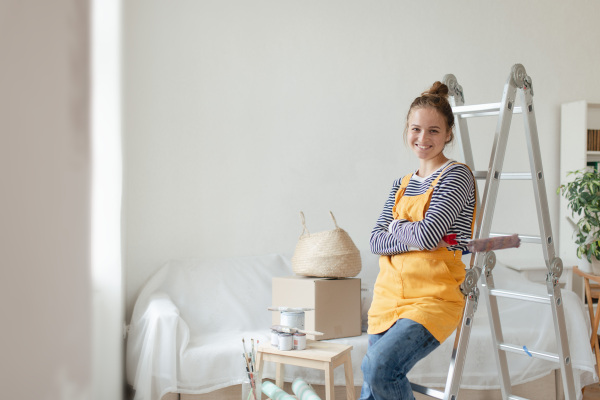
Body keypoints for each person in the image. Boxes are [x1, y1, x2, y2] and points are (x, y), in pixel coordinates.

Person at [360, 81, 477, 400]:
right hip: (388, 297)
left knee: (379, 368)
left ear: (449, 133)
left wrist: (396, 227)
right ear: (407, 130)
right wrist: (411, 233)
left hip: (433, 297)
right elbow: (374, 241)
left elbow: (427, 236)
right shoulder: (401, 183)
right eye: (416, 129)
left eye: (434, 131)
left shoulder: (457, 176)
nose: (423, 139)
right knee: (371, 389)